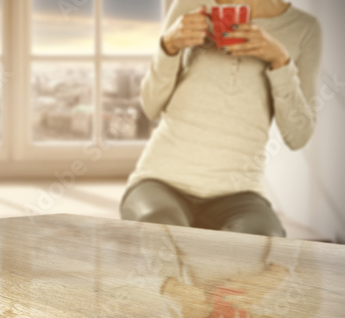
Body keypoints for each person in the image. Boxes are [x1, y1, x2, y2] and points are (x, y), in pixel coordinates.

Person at [119, 0, 323, 237]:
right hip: (160, 181)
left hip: (239, 195)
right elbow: (151, 106)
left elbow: (298, 137)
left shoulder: (304, 28)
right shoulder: (188, 6)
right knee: (161, 234)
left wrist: (280, 61)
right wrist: (169, 46)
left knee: (264, 249)